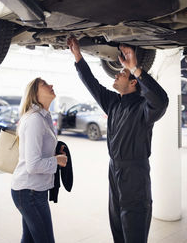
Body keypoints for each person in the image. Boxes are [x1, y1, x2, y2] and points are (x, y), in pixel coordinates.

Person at [68, 37, 169, 243]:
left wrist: (135, 68)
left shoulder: (143, 109)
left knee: (134, 229)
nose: (116, 73)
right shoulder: (114, 103)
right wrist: (78, 57)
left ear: (133, 82)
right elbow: (92, 85)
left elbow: (161, 101)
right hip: (114, 171)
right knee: (117, 227)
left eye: (122, 73)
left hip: (135, 175)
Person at [11, 77, 67, 243]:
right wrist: (56, 160)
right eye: (45, 84)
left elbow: (39, 151)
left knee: (29, 239)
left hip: (33, 191)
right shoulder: (35, 119)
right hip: (29, 192)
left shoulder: (43, 117)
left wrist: (55, 152)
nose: (51, 85)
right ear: (34, 93)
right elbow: (33, 165)